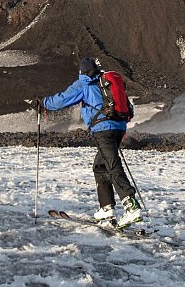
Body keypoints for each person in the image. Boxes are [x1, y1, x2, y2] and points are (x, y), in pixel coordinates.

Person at [39, 57, 142, 226]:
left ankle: (131, 206)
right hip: (119, 126)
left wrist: (43, 102)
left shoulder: (84, 83)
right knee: (100, 166)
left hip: (103, 129)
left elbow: (61, 100)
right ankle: (106, 208)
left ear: (82, 71)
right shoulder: (106, 82)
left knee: (112, 165)